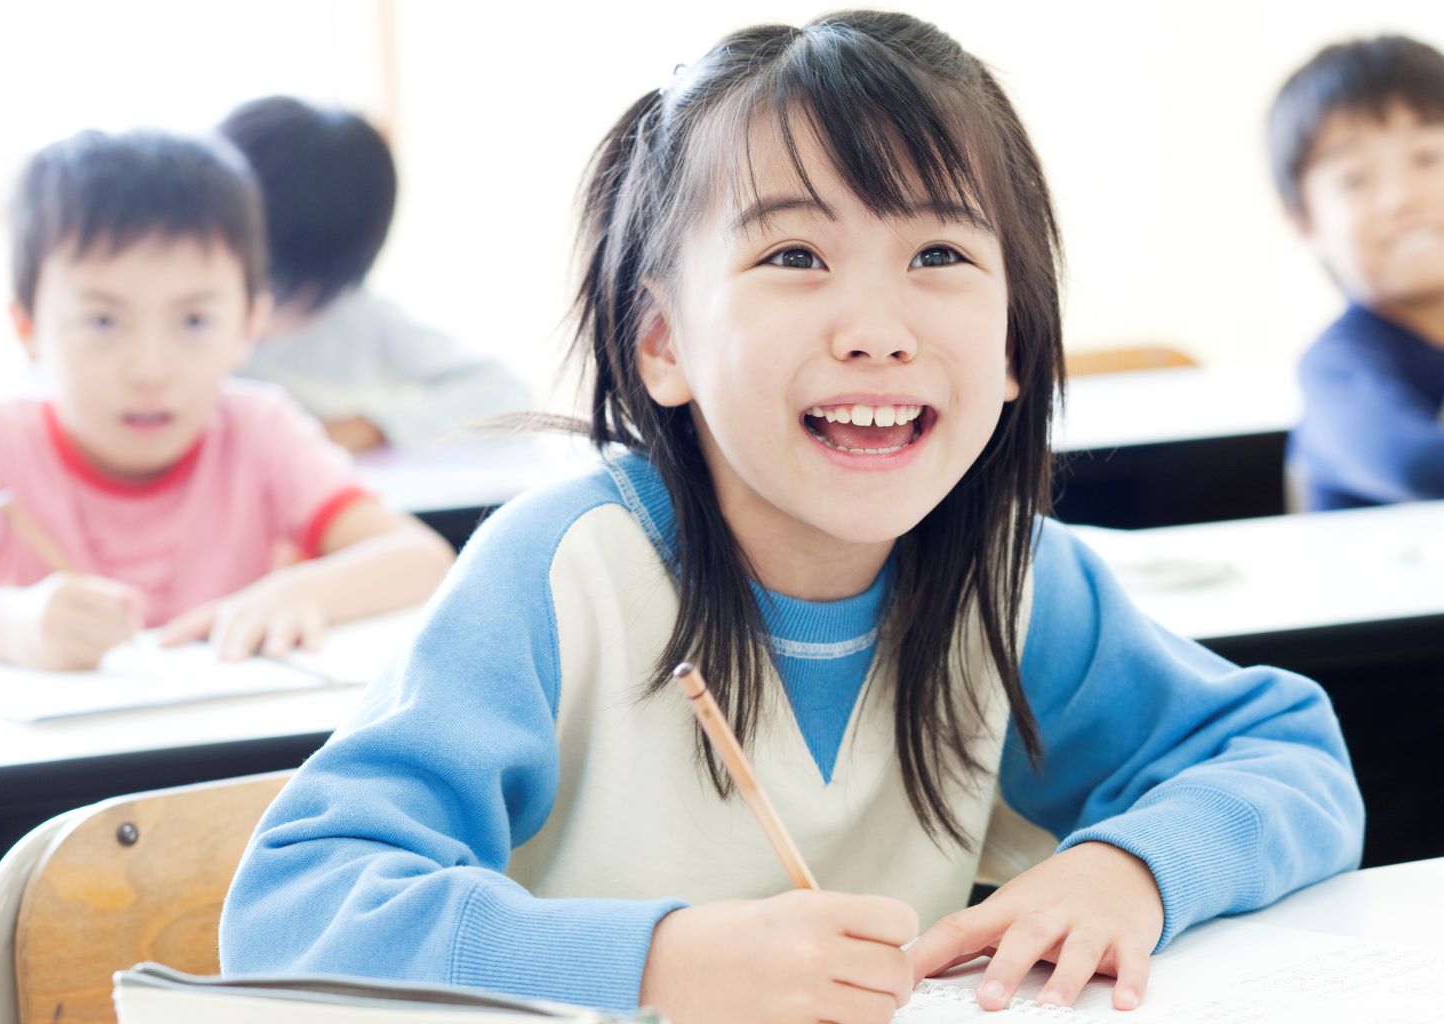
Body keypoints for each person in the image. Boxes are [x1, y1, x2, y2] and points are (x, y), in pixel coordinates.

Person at [220, 13, 1363, 1023]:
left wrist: (1127, 871)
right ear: (661, 341)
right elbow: (294, 903)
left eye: (940, 254)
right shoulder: (565, 574)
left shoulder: (1007, 577)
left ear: (1015, 341)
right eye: (794, 253)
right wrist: (654, 963)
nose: (877, 325)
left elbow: (1287, 756)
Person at [0, 129, 454, 670]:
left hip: (221, 754)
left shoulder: (261, 428)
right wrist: (13, 625)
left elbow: (424, 561)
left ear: (249, 324)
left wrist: (303, 592)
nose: (150, 370)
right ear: (27, 327)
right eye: (102, 321)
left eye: (194, 320)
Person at [218, 96, 531, 453]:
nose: (260, 308)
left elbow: (506, 395)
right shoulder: (167, 315)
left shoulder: (356, 315)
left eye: (287, 285)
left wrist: (373, 426)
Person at [1271, 35, 1444, 511]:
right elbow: (1413, 463)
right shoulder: (1336, 366)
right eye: (1354, 180)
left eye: (1430, 158)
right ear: (1304, 221)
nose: (1401, 198)